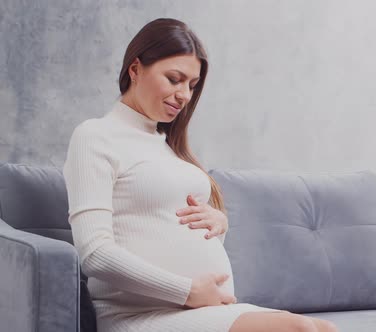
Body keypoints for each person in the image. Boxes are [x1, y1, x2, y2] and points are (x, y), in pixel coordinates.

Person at [62, 17, 338, 332]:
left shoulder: (169, 148)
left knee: (325, 328)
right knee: (300, 330)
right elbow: (95, 253)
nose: (184, 95)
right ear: (135, 69)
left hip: (199, 311)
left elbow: (163, 223)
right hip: (140, 317)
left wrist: (219, 225)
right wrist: (188, 291)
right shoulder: (95, 136)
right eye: (174, 78)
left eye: (191, 85)